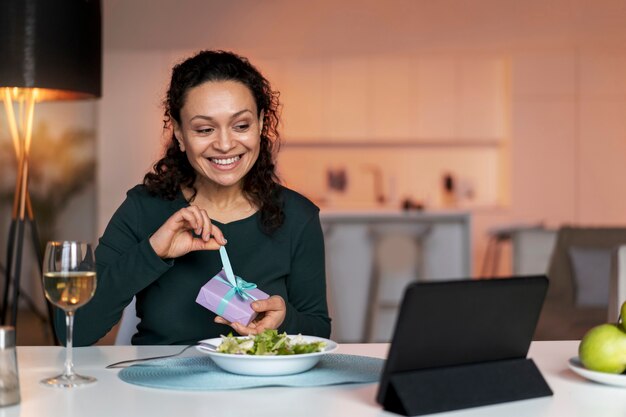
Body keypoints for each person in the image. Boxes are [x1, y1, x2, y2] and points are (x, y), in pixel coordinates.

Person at [55, 50, 331, 345]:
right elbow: (74, 331)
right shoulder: (143, 209)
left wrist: (284, 319)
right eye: (204, 129)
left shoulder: (298, 217)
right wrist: (153, 252)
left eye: (241, 125)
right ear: (178, 133)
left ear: (262, 124)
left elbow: (318, 332)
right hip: (160, 386)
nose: (225, 144)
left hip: (259, 390)